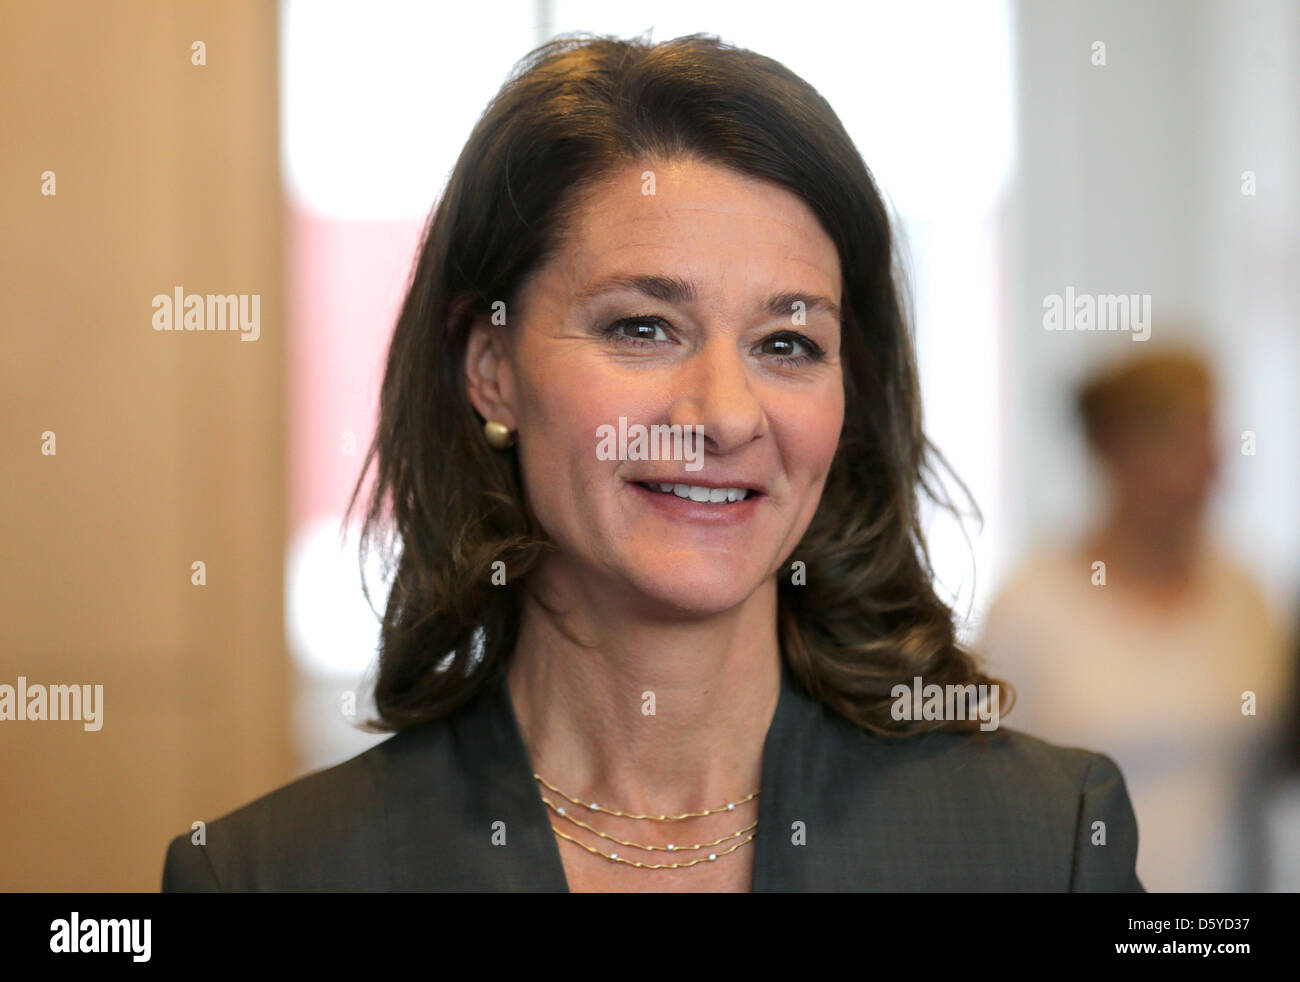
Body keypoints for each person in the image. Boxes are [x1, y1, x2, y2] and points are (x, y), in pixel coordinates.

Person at [162, 32, 1142, 892]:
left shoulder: (1042, 840)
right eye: (643, 326)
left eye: (787, 343)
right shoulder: (270, 872)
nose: (722, 414)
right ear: (491, 368)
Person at [979, 346, 1292, 891]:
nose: (1209, 461)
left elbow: (1271, 766)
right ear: (1115, 449)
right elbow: (986, 796)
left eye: (1211, 432)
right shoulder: (1032, 608)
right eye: (1181, 437)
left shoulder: (1246, 597)